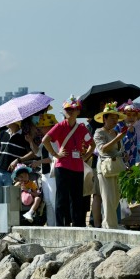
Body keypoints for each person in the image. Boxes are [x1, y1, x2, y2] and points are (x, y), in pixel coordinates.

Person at [41, 96, 94, 228]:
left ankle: (78, 225)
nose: (70, 111)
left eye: (73, 109)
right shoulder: (60, 126)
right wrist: (55, 154)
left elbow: (92, 145)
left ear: (78, 112)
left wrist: (86, 156)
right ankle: (60, 225)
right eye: (68, 109)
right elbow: (45, 140)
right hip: (62, 166)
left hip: (78, 167)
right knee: (61, 198)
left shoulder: (82, 128)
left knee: (77, 198)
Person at [93, 102, 129, 230]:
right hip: (105, 168)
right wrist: (118, 139)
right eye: (112, 118)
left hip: (117, 167)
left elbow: (118, 150)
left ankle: (108, 224)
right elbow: (102, 149)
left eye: (116, 118)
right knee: (107, 198)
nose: (115, 121)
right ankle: (110, 226)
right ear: (105, 118)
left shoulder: (116, 132)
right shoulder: (99, 132)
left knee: (115, 199)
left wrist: (124, 155)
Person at [0, 119, 29, 226]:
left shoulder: (24, 137)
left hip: (11, 174)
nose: (7, 121)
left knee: (8, 201)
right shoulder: (2, 134)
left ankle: (5, 225)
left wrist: (18, 160)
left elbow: (32, 153)